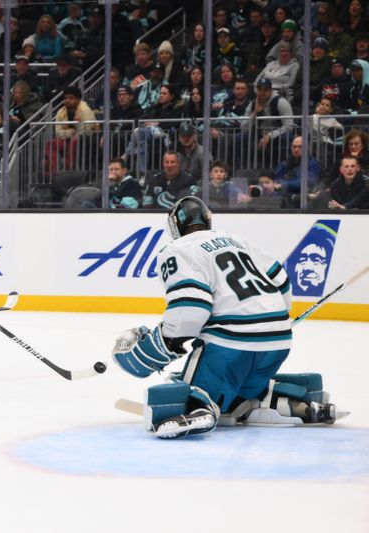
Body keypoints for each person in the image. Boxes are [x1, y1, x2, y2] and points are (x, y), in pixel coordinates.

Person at [112, 196, 342, 439]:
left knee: (199, 389)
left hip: (231, 345)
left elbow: (191, 306)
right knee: (241, 399)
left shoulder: (177, 250)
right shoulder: (237, 240)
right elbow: (282, 282)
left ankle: (199, 409)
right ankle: (299, 406)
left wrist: (169, 341)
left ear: (175, 225)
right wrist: (275, 320)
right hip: (278, 343)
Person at [44, 86, 97, 175]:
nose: (67, 100)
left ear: (78, 99)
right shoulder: (61, 112)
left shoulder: (85, 110)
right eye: (65, 98)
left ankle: (68, 169)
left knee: (75, 140)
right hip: (68, 139)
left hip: (87, 140)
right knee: (51, 143)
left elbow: (87, 131)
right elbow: (58, 132)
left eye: (71, 98)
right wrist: (71, 132)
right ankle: (52, 171)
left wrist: (76, 125)